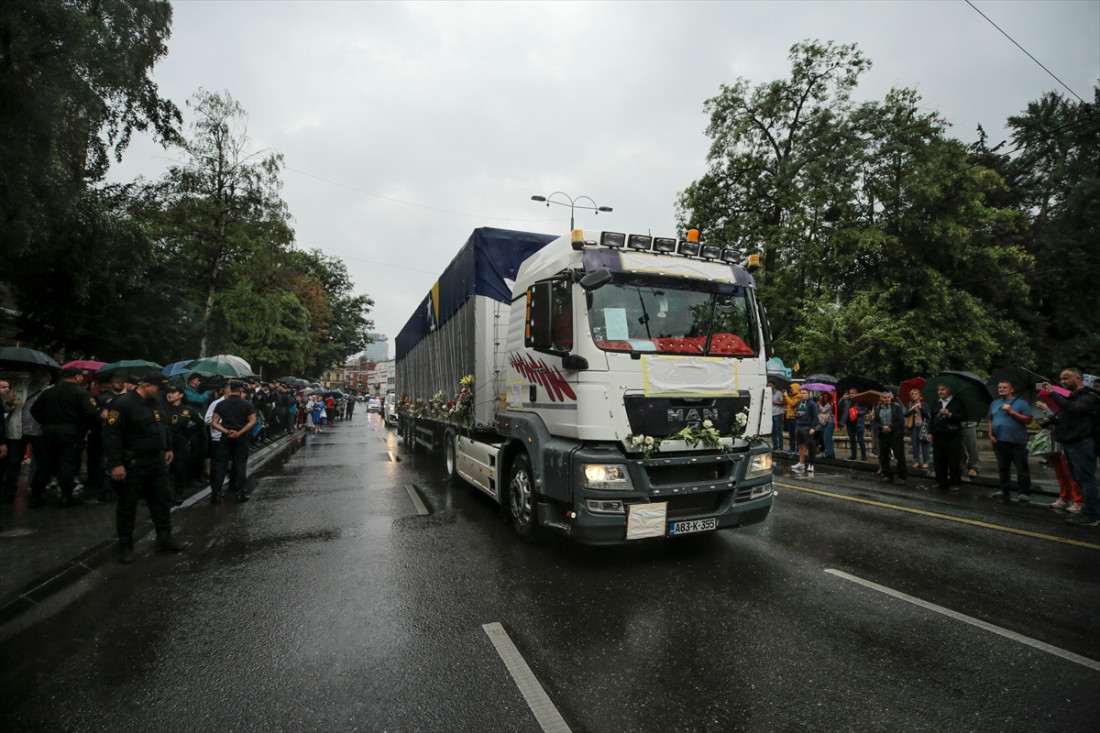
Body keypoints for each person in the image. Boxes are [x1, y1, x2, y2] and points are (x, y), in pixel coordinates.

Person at [104, 373, 190, 563]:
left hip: (156, 461)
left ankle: (164, 539)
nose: (162, 393)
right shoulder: (123, 404)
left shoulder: (155, 402)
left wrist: (168, 448)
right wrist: (116, 464)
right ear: (147, 386)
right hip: (133, 462)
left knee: (162, 500)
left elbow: (163, 426)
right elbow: (112, 436)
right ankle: (126, 546)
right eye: (159, 389)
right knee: (127, 506)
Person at [29, 366, 99, 507]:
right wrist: (84, 427)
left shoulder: (49, 392)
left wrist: (46, 422)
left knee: (45, 463)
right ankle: (66, 496)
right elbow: (91, 414)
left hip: (48, 431)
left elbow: (34, 409)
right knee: (67, 463)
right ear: (77, 377)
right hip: (70, 432)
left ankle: (36, 495)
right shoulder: (81, 394)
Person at [1042, 368, 1100, 527]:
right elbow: (1067, 414)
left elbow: (1073, 409)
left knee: (1086, 479)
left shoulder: (1090, 397)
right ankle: (1086, 510)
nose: (1063, 382)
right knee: (1078, 478)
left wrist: (1052, 393)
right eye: (1061, 379)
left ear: (1078, 378)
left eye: (1066, 378)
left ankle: (1092, 515)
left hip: (1082, 443)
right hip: (1069, 443)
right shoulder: (1072, 398)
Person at [210, 380, 258, 503]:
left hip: (225, 437)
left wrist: (226, 431)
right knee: (240, 464)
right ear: (241, 390)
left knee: (220, 465)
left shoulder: (221, 404)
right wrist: (240, 432)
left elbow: (214, 422)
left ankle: (216, 493)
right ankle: (240, 492)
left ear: (230, 390)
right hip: (241, 438)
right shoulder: (247, 405)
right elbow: (253, 421)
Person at [987, 381, 1033, 504]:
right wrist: (990, 434)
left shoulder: (1021, 403)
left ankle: (1023, 492)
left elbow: (1028, 420)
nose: (1001, 389)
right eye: (1000, 387)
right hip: (999, 441)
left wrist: (1012, 411)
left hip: (1016, 441)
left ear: (1012, 390)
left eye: (1004, 387)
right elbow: (990, 419)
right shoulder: (995, 403)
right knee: (1003, 467)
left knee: (1021, 468)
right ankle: (1004, 489)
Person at [164, 385, 203, 505]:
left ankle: (178, 494)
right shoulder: (163, 409)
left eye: (173, 392)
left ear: (180, 395)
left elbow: (200, 423)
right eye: (169, 392)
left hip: (181, 443)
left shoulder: (187, 410)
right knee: (163, 471)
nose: (170, 394)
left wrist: (190, 433)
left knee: (179, 470)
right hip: (165, 444)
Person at [928, 383, 966, 493]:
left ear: (948, 390)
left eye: (942, 389)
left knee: (953, 459)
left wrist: (950, 414)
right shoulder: (937, 402)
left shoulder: (957, 402)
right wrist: (930, 432)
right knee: (939, 459)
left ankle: (955, 482)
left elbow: (963, 416)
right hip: (938, 434)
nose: (940, 392)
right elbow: (932, 417)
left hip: (952, 435)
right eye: (938, 390)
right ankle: (941, 481)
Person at [871, 390, 907, 485]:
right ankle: (887, 475)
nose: (887, 399)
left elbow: (901, 421)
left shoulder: (897, 407)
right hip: (883, 434)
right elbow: (875, 422)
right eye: (885, 398)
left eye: (888, 397)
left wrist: (891, 428)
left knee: (899, 456)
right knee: (884, 456)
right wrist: (881, 427)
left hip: (895, 434)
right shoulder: (878, 409)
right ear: (881, 399)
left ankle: (902, 477)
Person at [790, 389, 818, 474]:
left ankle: (811, 464)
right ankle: (801, 463)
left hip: (807, 426)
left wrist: (813, 427)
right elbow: (797, 413)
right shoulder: (799, 403)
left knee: (810, 446)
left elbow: (815, 416)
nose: (802, 395)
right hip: (799, 425)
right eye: (801, 393)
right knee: (800, 445)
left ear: (808, 394)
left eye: (804, 393)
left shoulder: (812, 404)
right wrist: (797, 415)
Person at [838, 388, 867, 461]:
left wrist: (858, 412)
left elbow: (865, 410)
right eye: (850, 393)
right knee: (852, 440)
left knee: (860, 440)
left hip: (859, 423)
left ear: (857, 393)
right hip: (849, 423)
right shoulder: (846, 401)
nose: (851, 394)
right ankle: (853, 456)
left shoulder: (861, 401)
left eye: (853, 393)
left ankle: (864, 456)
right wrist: (842, 399)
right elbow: (839, 405)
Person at [906, 389, 932, 470]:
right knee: (915, 445)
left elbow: (928, 415)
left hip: (923, 426)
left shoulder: (924, 404)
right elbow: (905, 414)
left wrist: (921, 408)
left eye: (915, 394)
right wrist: (912, 409)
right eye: (912, 394)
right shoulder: (910, 404)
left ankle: (926, 462)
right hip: (914, 427)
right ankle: (917, 461)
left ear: (919, 396)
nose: (913, 395)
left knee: (925, 444)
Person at [782, 384, 801, 456]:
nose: (791, 390)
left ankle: (798, 449)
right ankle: (791, 448)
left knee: (796, 435)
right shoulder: (791, 396)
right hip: (789, 417)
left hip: (794, 418)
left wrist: (787, 396)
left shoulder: (798, 396)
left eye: (792, 389)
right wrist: (784, 396)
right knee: (791, 435)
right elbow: (785, 403)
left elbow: (792, 404)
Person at [816, 392, 835, 459]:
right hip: (824, 423)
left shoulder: (830, 403)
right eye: (824, 397)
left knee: (828, 438)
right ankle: (829, 453)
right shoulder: (822, 403)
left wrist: (819, 405)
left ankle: (830, 455)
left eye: (827, 397)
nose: (825, 398)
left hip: (829, 422)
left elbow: (824, 410)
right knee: (825, 438)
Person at [769, 380, 785, 452]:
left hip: (778, 413)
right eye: (768, 385)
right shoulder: (768, 393)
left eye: (770, 385)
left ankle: (780, 446)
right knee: (772, 431)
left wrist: (774, 402)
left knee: (778, 430)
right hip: (770, 413)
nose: (769, 386)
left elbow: (783, 402)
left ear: (774, 386)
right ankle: (774, 446)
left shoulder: (778, 393)